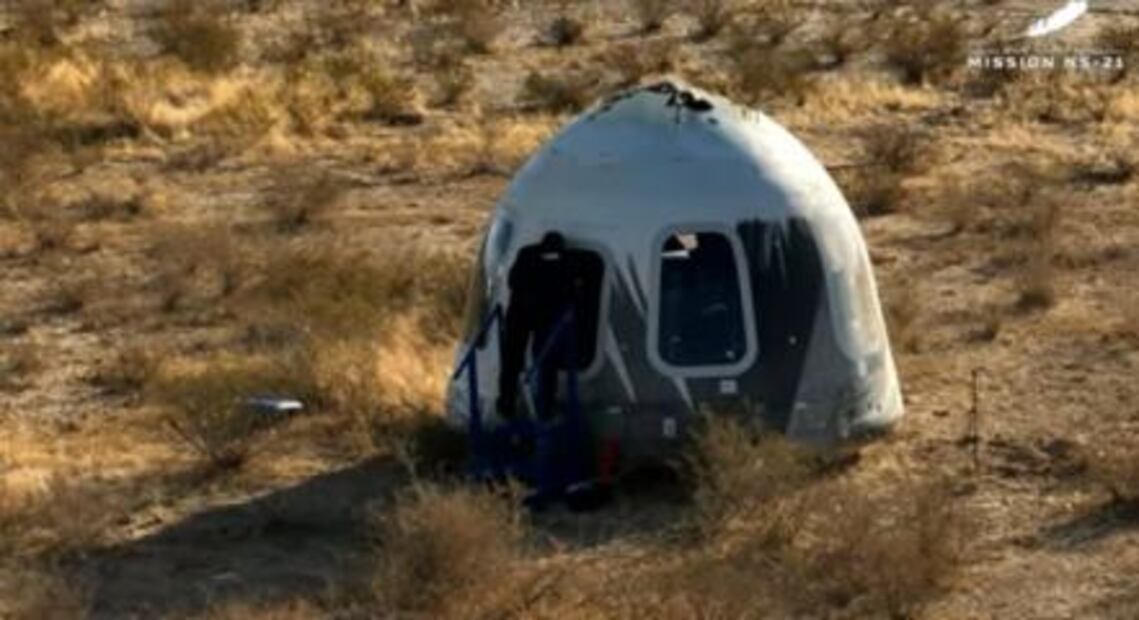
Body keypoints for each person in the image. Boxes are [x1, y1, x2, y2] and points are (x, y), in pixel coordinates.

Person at [496, 232, 576, 421]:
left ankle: (512, 404)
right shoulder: (563, 260)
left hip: (526, 314)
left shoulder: (527, 254)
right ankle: (538, 407)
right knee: (538, 361)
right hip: (536, 316)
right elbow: (569, 289)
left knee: (520, 361)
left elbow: (513, 281)